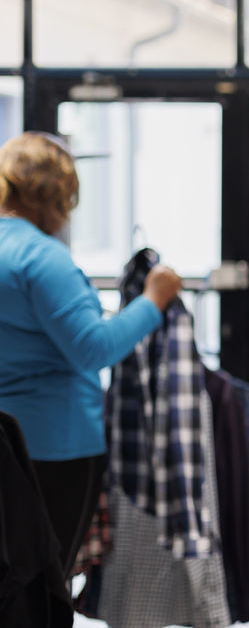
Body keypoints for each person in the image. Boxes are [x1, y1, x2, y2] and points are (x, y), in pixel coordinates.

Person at [0, 131, 183, 580]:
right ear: (60, 193)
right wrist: (153, 301)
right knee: (45, 582)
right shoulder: (42, 258)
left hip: (6, 435)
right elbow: (92, 348)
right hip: (54, 445)